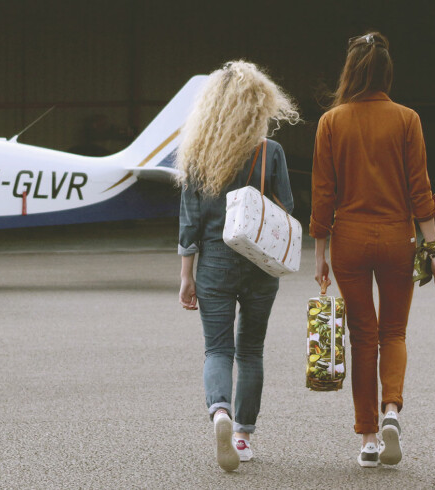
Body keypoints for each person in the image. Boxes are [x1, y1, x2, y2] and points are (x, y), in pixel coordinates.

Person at [310, 32, 435, 468]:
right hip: (397, 238)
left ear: (349, 71)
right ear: (388, 71)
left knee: (362, 336)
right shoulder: (407, 119)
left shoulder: (331, 122)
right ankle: (392, 409)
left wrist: (320, 252)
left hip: (349, 239)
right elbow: (419, 190)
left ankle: (369, 437)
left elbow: (322, 193)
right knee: (394, 332)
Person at [177, 60, 300, 472]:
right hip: (261, 264)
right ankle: (243, 436)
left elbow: (189, 223)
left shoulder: (197, 153)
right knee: (250, 350)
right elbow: (288, 208)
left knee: (217, 348)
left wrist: (186, 276)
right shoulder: (271, 152)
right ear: (259, 105)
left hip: (214, 262)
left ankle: (221, 415)